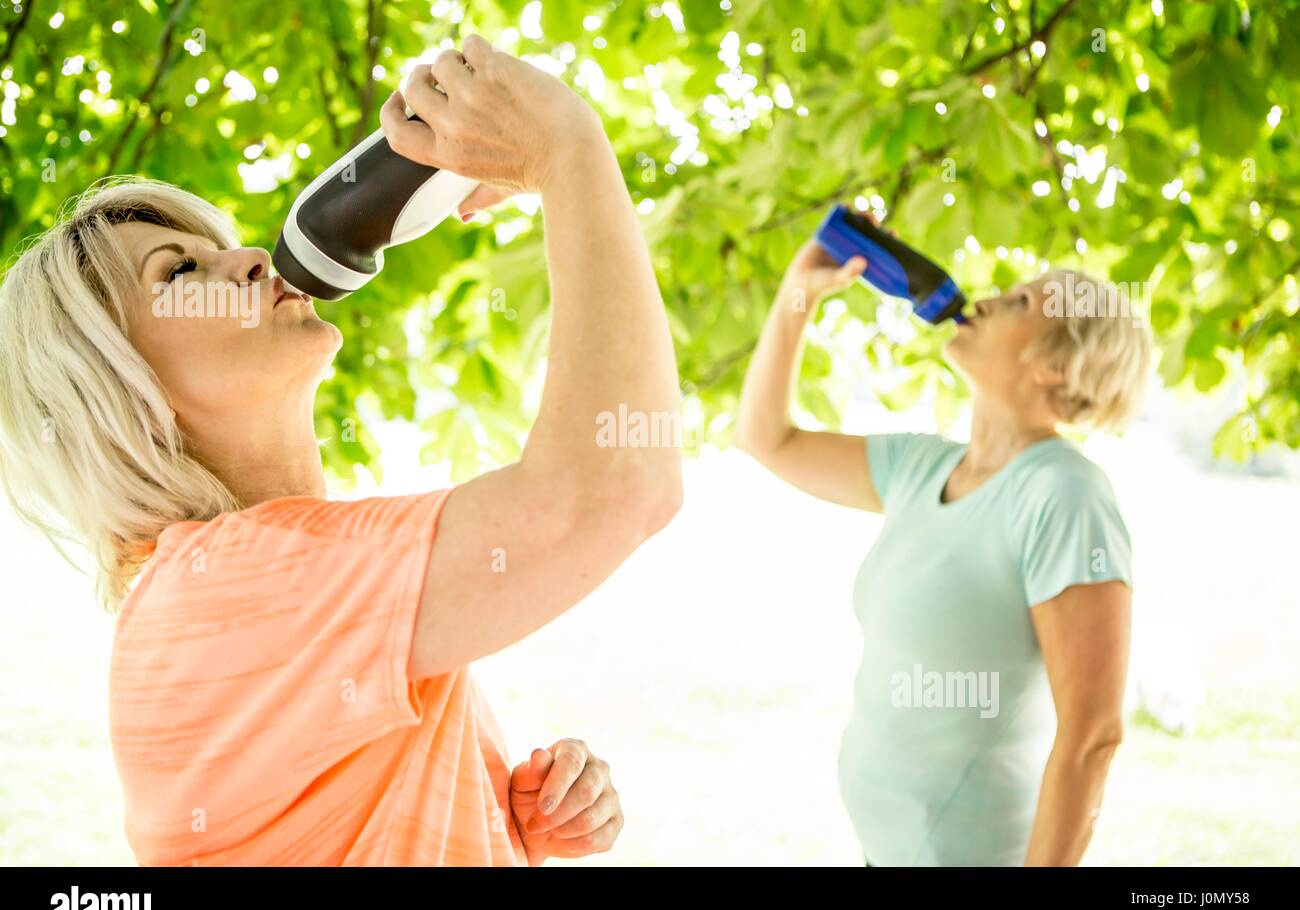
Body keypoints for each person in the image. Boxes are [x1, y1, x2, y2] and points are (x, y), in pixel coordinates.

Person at [0, 35, 682, 866]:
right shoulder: (230, 591)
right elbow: (613, 486)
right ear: (120, 398)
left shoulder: (275, 587)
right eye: (180, 274)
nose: (250, 258)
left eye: (219, 247)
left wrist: (511, 824)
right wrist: (567, 151)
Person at [735, 220, 1153, 865]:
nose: (983, 301)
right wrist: (800, 292)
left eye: (1018, 303)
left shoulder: (1065, 495)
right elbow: (769, 439)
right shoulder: (919, 467)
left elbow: (1092, 736)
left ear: (1056, 364)